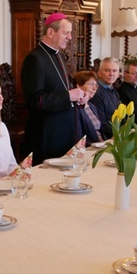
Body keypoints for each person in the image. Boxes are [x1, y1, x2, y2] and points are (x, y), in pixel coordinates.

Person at [20, 12, 88, 164]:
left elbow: (63, 90)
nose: (70, 38)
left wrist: (79, 98)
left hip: (64, 133)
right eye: (66, 33)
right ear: (51, 32)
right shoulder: (35, 59)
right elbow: (35, 101)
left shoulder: (59, 56)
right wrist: (69, 96)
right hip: (46, 136)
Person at [91, 57, 122, 138]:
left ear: (118, 74)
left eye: (114, 71)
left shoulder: (114, 91)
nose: (111, 74)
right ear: (99, 73)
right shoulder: (96, 92)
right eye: (107, 70)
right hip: (106, 138)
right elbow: (101, 123)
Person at [73, 71, 104, 144]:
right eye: (91, 84)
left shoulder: (92, 106)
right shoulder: (76, 108)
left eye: (96, 85)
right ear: (79, 86)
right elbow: (78, 138)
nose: (95, 88)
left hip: (101, 144)